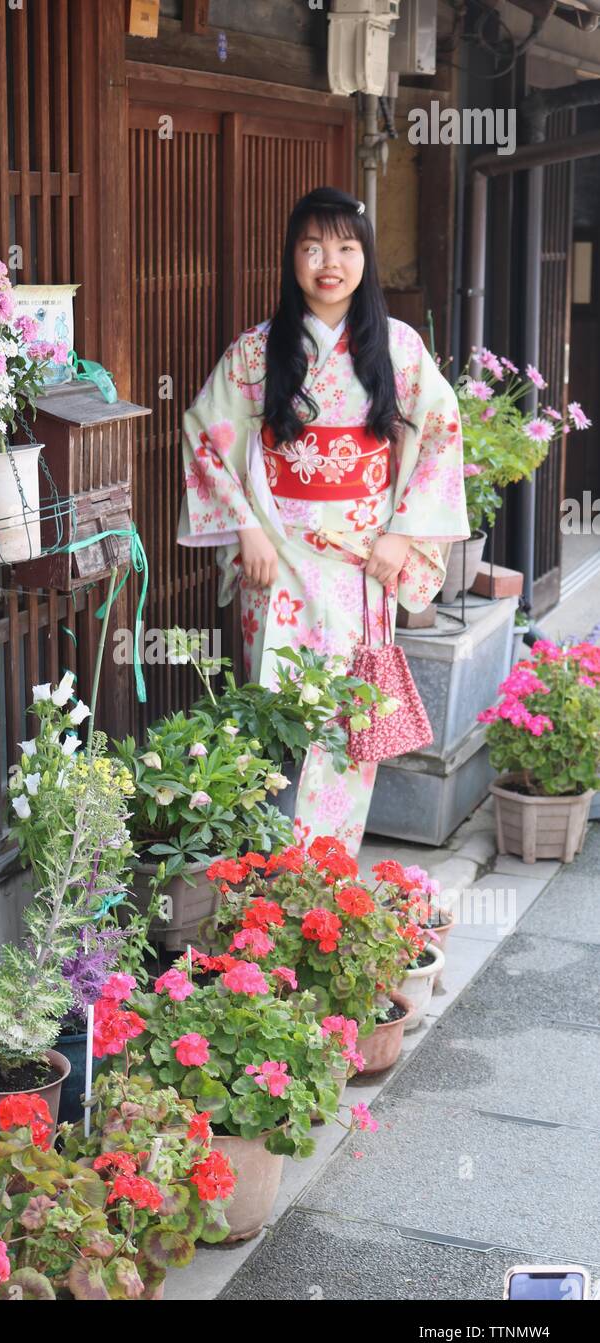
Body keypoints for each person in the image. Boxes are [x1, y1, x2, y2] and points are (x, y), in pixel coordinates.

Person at [176, 186, 470, 854]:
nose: (328, 262)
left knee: (346, 715)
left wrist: (401, 533)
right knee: (273, 710)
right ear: (293, 257)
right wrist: (246, 527)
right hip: (277, 558)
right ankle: (268, 872)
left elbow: (443, 431)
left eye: (345, 246)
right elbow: (203, 431)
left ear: (364, 256)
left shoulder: (397, 347)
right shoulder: (257, 352)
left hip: (362, 560)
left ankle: (326, 873)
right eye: (312, 247)